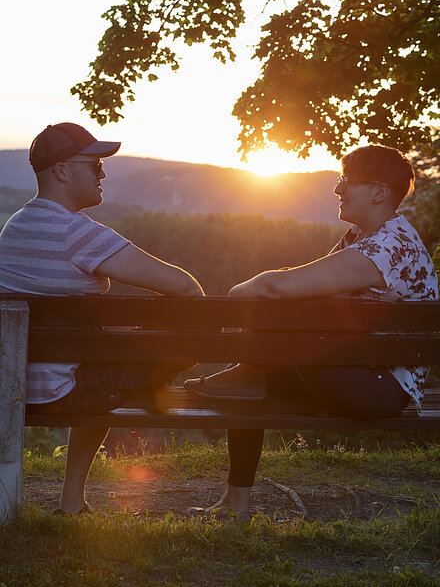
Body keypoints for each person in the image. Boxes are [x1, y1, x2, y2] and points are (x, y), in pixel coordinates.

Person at [184, 144, 438, 519]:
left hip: (379, 387)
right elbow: (306, 282)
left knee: (279, 305)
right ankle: (235, 501)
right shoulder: (366, 237)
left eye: (346, 181)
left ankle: (247, 372)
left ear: (379, 191)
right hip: (356, 370)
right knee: (250, 389)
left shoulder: (389, 247)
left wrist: (237, 298)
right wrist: (276, 285)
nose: (337, 190)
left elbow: (280, 288)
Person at [0, 122, 204, 514]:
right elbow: (187, 288)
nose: (103, 174)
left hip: (16, 384)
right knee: (194, 328)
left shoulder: (14, 227)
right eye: (94, 165)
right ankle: (74, 495)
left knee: (100, 361)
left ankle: (73, 502)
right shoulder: (77, 233)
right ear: (61, 170)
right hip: (62, 391)